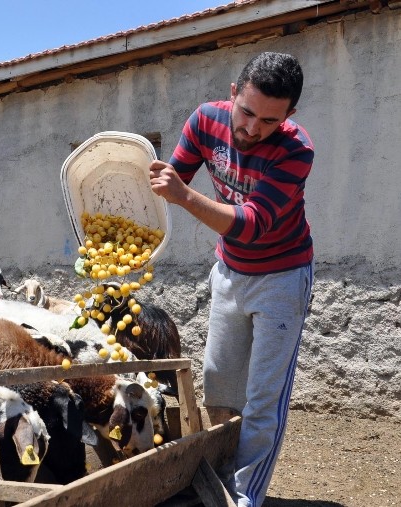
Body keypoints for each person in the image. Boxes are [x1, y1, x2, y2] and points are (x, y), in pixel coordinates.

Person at [149, 52, 314, 507]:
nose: (252, 128)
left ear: (288, 117)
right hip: (229, 272)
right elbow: (170, 179)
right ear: (233, 93)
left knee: (263, 399)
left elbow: (250, 223)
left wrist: (183, 196)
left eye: (268, 120)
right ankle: (218, 481)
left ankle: (244, 499)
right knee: (218, 385)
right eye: (247, 112)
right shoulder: (205, 121)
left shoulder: (296, 150)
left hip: (281, 277)